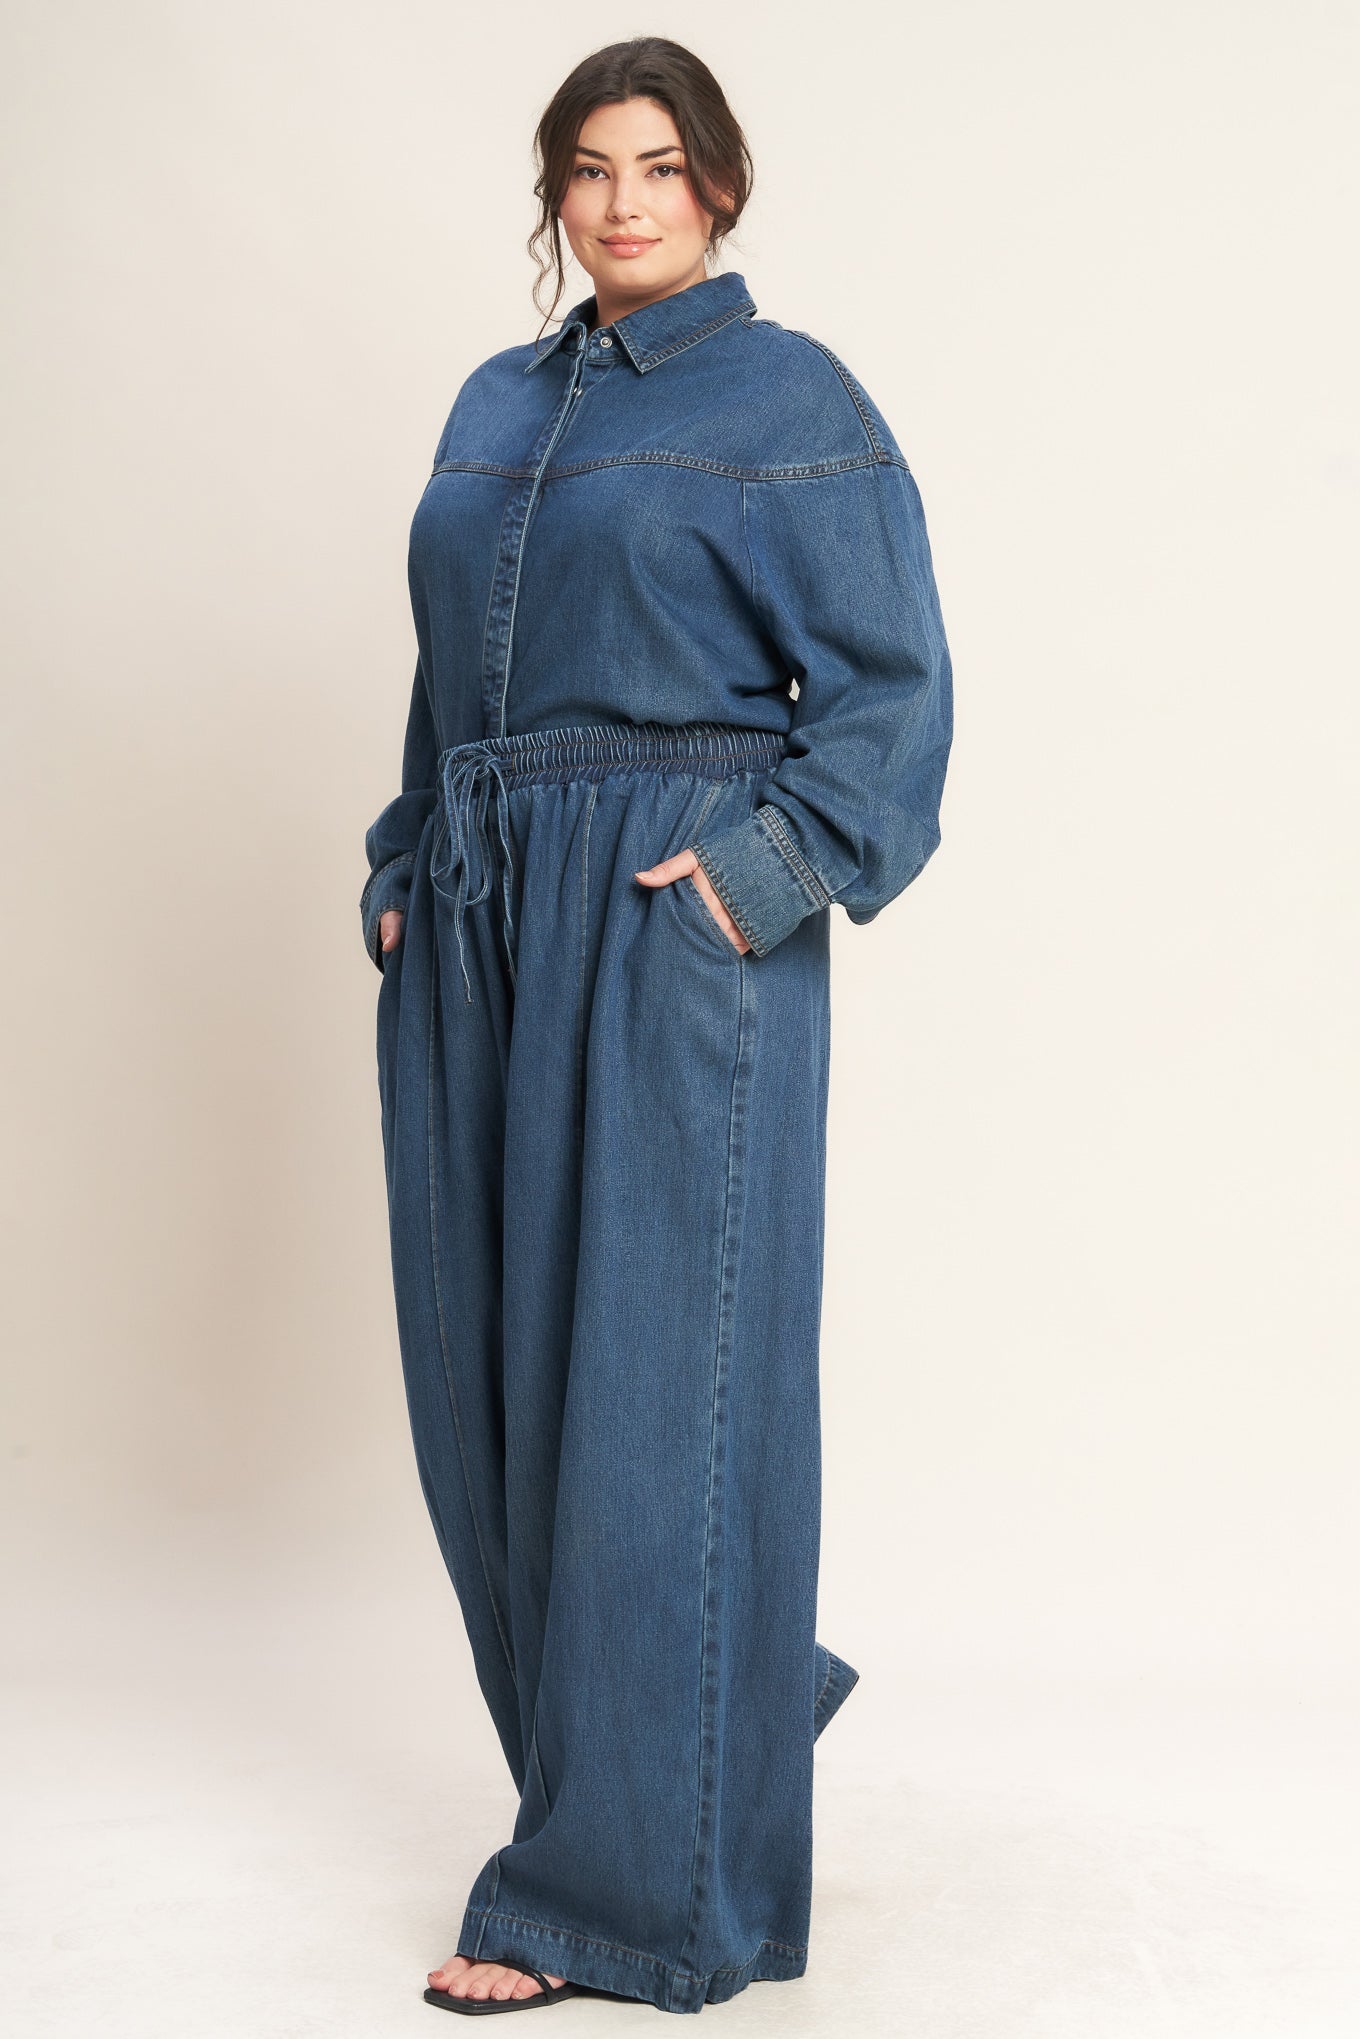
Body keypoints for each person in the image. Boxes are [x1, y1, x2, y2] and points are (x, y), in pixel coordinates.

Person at [359, 35, 953, 2020]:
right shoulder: (492, 403)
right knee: (492, 1397)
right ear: (557, 193)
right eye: (591, 169)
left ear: (721, 187)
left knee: (649, 1395)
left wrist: (756, 880)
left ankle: (605, 1898)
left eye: (661, 167)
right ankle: (714, 1709)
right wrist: (403, 856)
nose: (624, 202)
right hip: (479, 915)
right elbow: (450, 669)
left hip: (665, 923)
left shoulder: (793, 401)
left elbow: (888, 694)